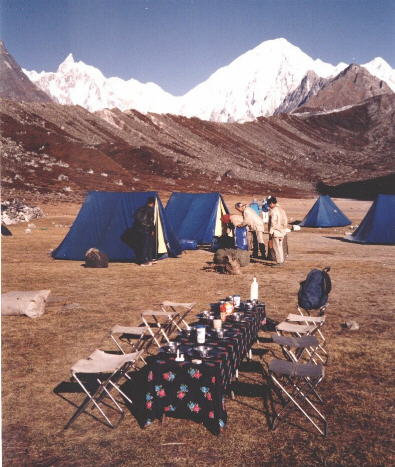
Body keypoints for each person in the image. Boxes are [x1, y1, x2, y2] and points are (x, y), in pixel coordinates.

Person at [134, 196, 156, 266]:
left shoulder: (141, 209)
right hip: (147, 230)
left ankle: (148, 259)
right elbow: (151, 221)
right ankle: (143, 261)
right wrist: (152, 229)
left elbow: (137, 218)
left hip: (140, 230)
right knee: (146, 246)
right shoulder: (151, 210)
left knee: (145, 245)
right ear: (153, 203)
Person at [267, 196, 288, 265]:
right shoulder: (281, 210)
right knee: (280, 247)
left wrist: (270, 232)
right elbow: (285, 220)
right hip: (282, 231)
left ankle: (279, 261)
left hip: (276, 231)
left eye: (269, 204)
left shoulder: (273, 211)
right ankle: (281, 260)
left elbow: (273, 223)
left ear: (272, 203)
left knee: (276, 247)